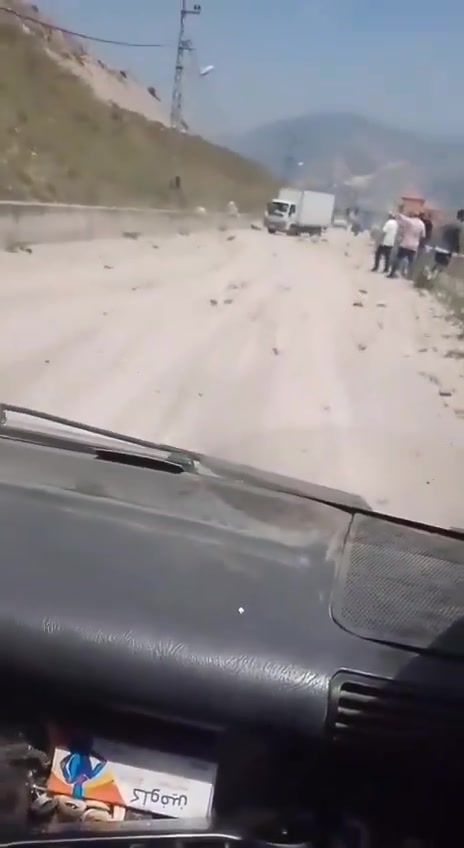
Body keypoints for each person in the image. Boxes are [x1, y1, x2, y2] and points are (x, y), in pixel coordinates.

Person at [387, 206, 426, 278]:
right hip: (414, 246)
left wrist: (400, 209)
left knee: (398, 259)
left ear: (413, 215)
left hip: (405, 244)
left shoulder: (409, 221)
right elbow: (423, 236)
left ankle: (392, 273)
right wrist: (420, 246)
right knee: (411, 262)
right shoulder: (422, 224)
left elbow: (400, 216)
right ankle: (411, 277)